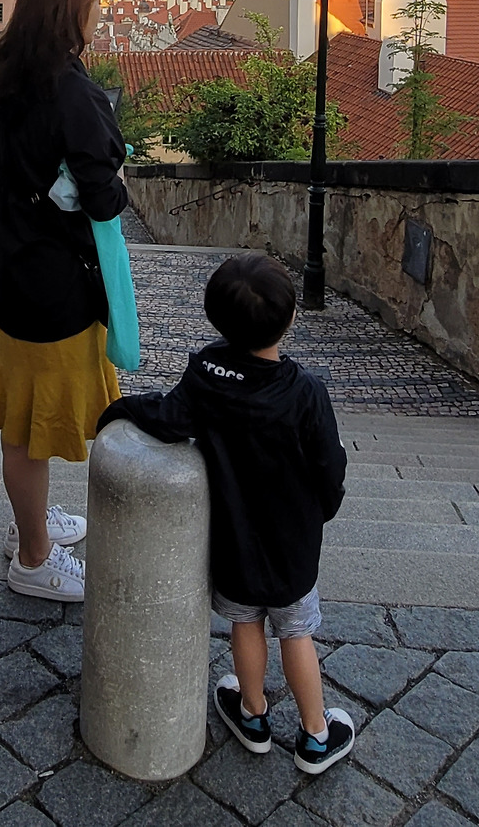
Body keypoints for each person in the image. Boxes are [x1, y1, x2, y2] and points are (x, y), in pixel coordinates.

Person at [98, 252, 354, 775]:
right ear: (290, 318)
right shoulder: (306, 394)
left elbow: (168, 417)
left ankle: (253, 714)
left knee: (245, 622)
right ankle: (315, 735)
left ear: (216, 318)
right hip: (291, 545)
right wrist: (322, 510)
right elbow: (330, 467)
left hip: (234, 539)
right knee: (296, 631)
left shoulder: (208, 375)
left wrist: (118, 409)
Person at [0, 0, 127, 601]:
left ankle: (31, 522)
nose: (100, 9)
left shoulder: (14, 72)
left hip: (15, 263)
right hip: (55, 282)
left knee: (26, 414)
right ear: (74, 8)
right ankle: (34, 557)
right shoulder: (72, 91)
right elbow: (102, 197)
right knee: (28, 426)